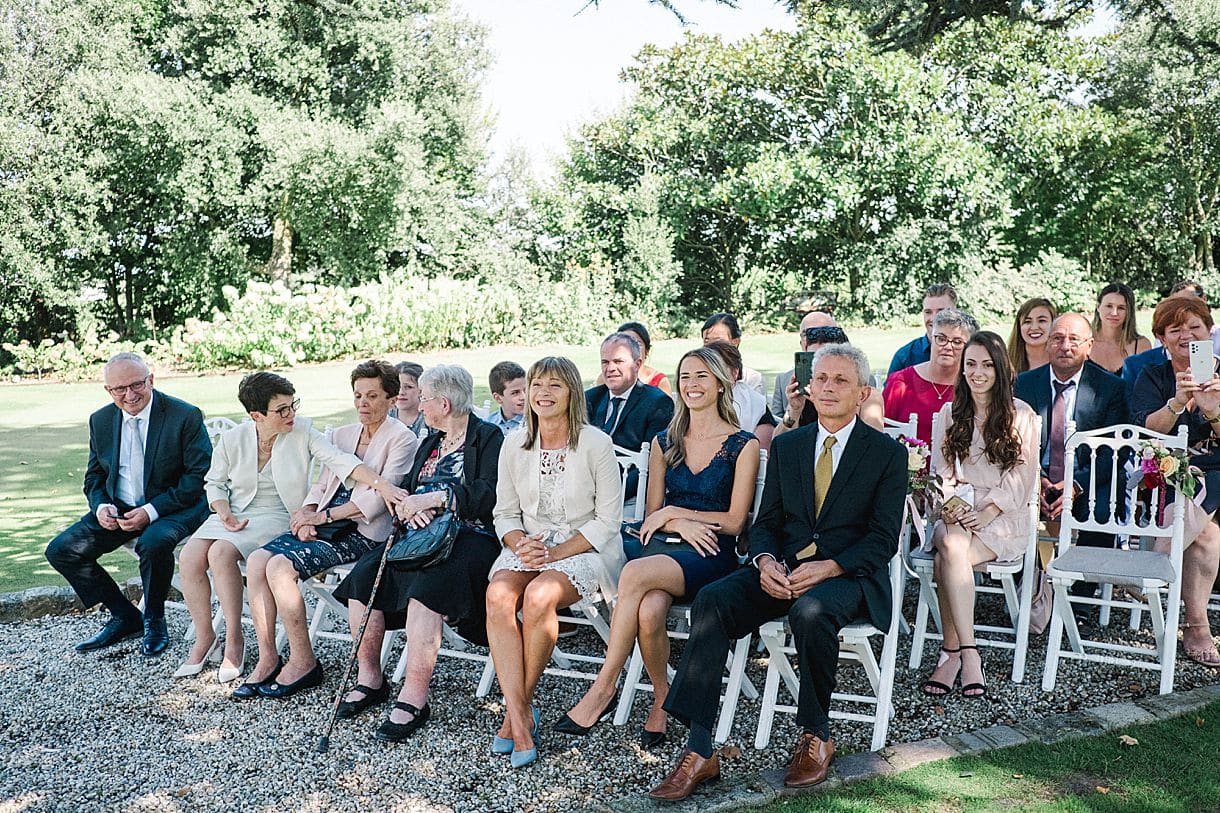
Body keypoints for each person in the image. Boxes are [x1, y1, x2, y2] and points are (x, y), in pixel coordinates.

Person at [648, 345, 906, 801]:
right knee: (713, 600)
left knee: (810, 611)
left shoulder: (885, 453)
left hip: (849, 575)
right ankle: (700, 747)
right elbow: (765, 524)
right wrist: (764, 562)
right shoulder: (789, 445)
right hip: (783, 569)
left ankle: (815, 733)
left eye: (839, 381)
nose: (826, 388)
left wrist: (829, 566)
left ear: (864, 392)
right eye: (820, 378)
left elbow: (883, 539)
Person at [556, 347, 759, 748]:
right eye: (685, 376)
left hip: (710, 553)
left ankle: (604, 687)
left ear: (720, 384)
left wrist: (677, 514)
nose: (692, 385)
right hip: (663, 546)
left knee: (631, 574)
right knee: (649, 610)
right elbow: (652, 514)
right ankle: (662, 699)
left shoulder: (743, 444)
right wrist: (675, 519)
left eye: (702, 376)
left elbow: (735, 522)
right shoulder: (664, 441)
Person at [175, 372, 404, 684]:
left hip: (276, 512)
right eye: (281, 410)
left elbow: (341, 462)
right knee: (189, 557)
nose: (291, 414)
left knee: (220, 553)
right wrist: (223, 510)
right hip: (233, 511)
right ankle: (206, 636)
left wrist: (382, 486)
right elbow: (214, 483)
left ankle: (235, 640)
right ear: (257, 415)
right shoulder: (234, 438)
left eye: (292, 405)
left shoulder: (302, 431)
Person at [331, 364, 505, 739]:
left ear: (443, 402)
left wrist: (439, 500)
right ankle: (371, 678)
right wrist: (411, 506)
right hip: (417, 537)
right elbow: (406, 491)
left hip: (470, 538)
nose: (419, 405)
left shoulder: (488, 438)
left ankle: (414, 696)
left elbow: (489, 495)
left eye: (424, 398)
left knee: (427, 593)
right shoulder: (430, 441)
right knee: (362, 580)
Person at [234, 361, 418, 699]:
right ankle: (268, 656)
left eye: (372, 395)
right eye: (358, 395)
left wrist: (325, 518)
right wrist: (306, 512)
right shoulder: (343, 434)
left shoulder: (403, 440)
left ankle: (304, 662)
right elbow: (323, 482)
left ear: (392, 400)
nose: (362, 403)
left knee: (279, 567)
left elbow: (380, 499)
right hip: (327, 521)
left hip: (363, 532)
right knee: (259, 560)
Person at [486, 356, 624, 769]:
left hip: (586, 548)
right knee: (497, 595)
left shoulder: (595, 443)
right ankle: (523, 712)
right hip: (529, 543)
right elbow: (504, 514)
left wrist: (554, 555)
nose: (543, 393)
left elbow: (608, 521)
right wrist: (519, 543)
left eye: (555, 386)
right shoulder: (514, 442)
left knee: (540, 595)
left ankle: (517, 715)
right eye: (537, 385)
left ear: (572, 394)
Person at [45, 352, 211, 656]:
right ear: (108, 391)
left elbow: (198, 479)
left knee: (153, 541)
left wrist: (150, 512)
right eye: (119, 389)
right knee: (62, 550)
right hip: (120, 508)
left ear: (151, 380)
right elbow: (95, 475)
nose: (129, 395)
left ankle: (154, 619)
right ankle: (124, 615)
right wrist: (101, 507)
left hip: (176, 506)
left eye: (136, 385)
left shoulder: (184, 415)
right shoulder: (101, 419)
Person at [921, 332, 1039, 699]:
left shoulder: (1022, 415)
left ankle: (953, 652)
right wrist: (953, 503)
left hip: (1003, 514)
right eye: (970, 364)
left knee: (949, 558)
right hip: (956, 506)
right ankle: (969, 653)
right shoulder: (949, 413)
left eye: (987, 365)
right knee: (953, 543)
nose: (977, 372)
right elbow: (940, 472)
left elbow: (1022, 476)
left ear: (1001, 369)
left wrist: (988, 512)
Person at [1014, 313, 1130, 605]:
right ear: (1048, 344)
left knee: (1103, 511)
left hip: (1087, 481)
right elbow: (1011, 442)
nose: (1065, 346)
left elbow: (1115, 453)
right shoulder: (1024, 385)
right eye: (1058, 338)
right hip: (1033, 478)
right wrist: (1035, 480)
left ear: (1089, 345)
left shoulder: (1110, 388)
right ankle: (1029, 594)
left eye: (1074, 340)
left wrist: (1076, 484)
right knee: (1007, 506)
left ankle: (1079, 603)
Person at [1131, 296, 1220, 667]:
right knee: (1209, 534)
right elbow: (1144, 433)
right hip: (1169, 470)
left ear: (1209, 332)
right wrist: (1176, 402)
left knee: (1207, 481)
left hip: (1218, 468)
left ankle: (1148, 566)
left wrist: (1214, 411)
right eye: (1175, 329)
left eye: (1194, 327)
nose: (1186, 335)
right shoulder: (1152, 376)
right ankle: (1198, 627)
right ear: (1162, 339)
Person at [585, 332, 674, 503]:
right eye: (605, 362)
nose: (610, 368)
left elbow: (652, 463)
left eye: (618, 361)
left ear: (637, 364)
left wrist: (608, 495)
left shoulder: (657, 403)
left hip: (630, 495)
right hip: (586, 493)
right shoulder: (590, 399)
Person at [883, 308, 977, 445]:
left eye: (957, 342)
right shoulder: (901, 383)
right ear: (931, 338)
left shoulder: (974, 386)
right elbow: (882, 435)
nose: (947, 346)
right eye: (941, 339)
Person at [775, 325, 884, 437]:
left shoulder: (864, 391)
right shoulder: (795, 388)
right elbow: (778, 444)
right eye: (815, 359)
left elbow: (873, 444)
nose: (828, 386)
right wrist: (794, 410)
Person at [707, 341, 774, 450]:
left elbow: (761, 453)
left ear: (734, 373)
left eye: (718, 369)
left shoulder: (755, 406)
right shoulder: (695, 400)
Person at [772, 311, 836, 417]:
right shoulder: (785, 381)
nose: (818, 339)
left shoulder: (858, 380)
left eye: (825, 333)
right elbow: (778, 432)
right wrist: (793, 410)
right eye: (810, 335)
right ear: (802, 343)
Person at [887, 283, 958, 376]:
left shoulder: (969, 352)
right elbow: (889, 390)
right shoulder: (904, 357)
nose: (934, 318)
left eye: (941, 311)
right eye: (928, 312)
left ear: (956, 312)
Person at [596, 321, 673, 396]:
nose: (630, 348)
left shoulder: (660, 382)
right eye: (624, 344)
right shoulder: (606, 378)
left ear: (647, 350)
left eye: (637, 343)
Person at [1091, 283, 1151, 375]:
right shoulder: (1085, 342)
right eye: (1109, 306)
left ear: (1129, 312)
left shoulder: (1141, 345)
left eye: (1121, 308)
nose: (1114, 313)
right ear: (1098, 307)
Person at [701, 312, 764, 395]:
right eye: (707, 340)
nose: (711, 346)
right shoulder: (694, 375)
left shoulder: (752, 379)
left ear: (735, 342)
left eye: (718, 340)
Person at [1007, 298, 1057, 374]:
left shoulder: (1063, 362)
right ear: (1019, 327)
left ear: (1054, 324)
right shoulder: (1006, 363)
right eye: (1027, 322)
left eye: (1042, 321)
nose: (1034, 327)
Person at [487, 361, 527, 435]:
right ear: (498, 398)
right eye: (515, 393)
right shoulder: (489, 424)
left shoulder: (536, 423)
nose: (524, 397)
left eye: (526, 390)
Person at [390, 361, 427, 436]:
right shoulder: (384, 417)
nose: (401, 392)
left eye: (409, 387)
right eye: (397, 387)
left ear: (421, 390)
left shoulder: (429, 420)